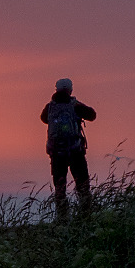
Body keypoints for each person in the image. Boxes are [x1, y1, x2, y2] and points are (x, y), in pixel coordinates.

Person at [40, 78, 96, 218]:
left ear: (56, 89)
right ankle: (86, 214)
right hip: (75, 151)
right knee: (82, 184)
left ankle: (62, 217)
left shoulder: (50, 107)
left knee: (60, 187)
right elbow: (92, 115)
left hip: (57, 154)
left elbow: (43, 119)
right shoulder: (75, 105)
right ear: (70, 89)